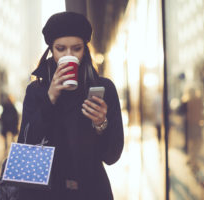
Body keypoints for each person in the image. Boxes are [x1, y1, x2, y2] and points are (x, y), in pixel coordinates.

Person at [16, 11, 124, 200]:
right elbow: (26, 146)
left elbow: (112, 156)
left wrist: (101, 123)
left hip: (92, 192)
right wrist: (50, 98)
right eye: (61, 48)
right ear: (51, 49)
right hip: (44, 194)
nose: (69, 55)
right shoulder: (37, 90)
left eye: (76, 48)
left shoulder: (103, 88)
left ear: (85, 49)